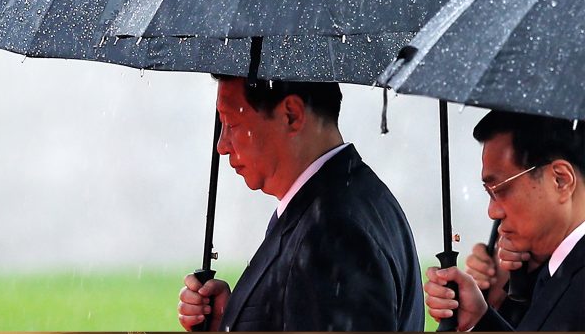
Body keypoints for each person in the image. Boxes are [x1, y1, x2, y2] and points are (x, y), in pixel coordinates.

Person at [178, 75, 424, 331]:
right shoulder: (360, 198)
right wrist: (234, 320)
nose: (222, 145)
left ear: (291, 115)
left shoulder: (332, 235)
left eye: (232, 122)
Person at [424, 110, 585, 331]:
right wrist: (481, 318)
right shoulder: (555, 270)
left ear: (560, 180)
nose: (493, 212)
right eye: (489, 194)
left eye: (501, 190)